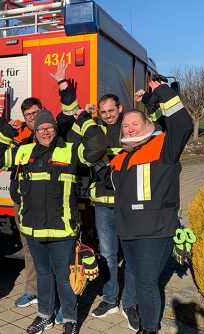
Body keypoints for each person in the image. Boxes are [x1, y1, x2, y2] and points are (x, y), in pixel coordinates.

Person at [0, 105, 106, 333]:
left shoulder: (70, 150)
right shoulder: (23, 152)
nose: (45, 132)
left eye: (49, 127)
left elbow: (97, 146)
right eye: (41, 128)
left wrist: (82, 118)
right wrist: (7, 130)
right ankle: (44, 316)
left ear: (55, 129)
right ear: (35, 131)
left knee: (64, 277)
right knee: (43, 275)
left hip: (62, 230)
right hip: (33, 230)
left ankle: (70, 319)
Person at [0, 61, 80, 309]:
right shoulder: (18, 137)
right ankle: (33, 291)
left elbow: (69, 111)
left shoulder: (54, 132)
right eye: (28, 116)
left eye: (36, 114)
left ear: (43, 113)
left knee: (59, 253)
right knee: (30, 248)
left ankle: (60, 297)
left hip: (56, 202)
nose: (33, 119)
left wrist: (62, 83)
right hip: (25, 201)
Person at [110, 81, 192, 334]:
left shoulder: (164, 147)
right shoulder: (120, 158)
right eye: (126, 125)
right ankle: (138, 314)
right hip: (128, 232)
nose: (130, 128)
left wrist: (163, 92)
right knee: (136, 280)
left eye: (136, 123)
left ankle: (149, 329)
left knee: (146, 283)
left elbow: (183, 124)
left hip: (155, 232)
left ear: (149, 126)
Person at [89, 94, 139, 331]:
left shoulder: (129, 127)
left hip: (127, 203)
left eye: (111, 110)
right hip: (102, 203)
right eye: (103, 111)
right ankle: (110, 299)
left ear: (120, 108)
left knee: (130, 255)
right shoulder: (95, 129)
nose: (108, 115)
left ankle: (129, 304)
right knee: (108, 254)